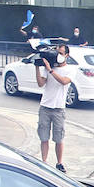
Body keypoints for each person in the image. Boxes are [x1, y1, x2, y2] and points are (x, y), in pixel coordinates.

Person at [35, 43, 72, 172]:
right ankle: (44, 161)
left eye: (61, 53)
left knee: (59, 138)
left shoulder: (70, 69)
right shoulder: (48, 67)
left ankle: (59, 162)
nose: (58, 55)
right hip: (45, 106)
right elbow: (41, 84)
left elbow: (63, 81)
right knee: (43, 136)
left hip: (58, 108)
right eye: (57, 52)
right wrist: (38, 68)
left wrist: (50, 70)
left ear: (66, 55)